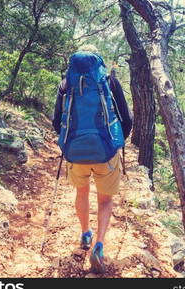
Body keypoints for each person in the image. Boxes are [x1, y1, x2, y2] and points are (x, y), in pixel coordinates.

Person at [52, 45, 132, 273]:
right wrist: (116, 143)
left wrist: (68, 143)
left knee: (82, 192)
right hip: (105, 152)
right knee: (105, 200)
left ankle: (85, 233)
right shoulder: (109, 81)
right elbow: (127, 119)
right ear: (98, 60)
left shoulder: (66, 83)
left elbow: (56, 121)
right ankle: (99, 244)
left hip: (76, 153)